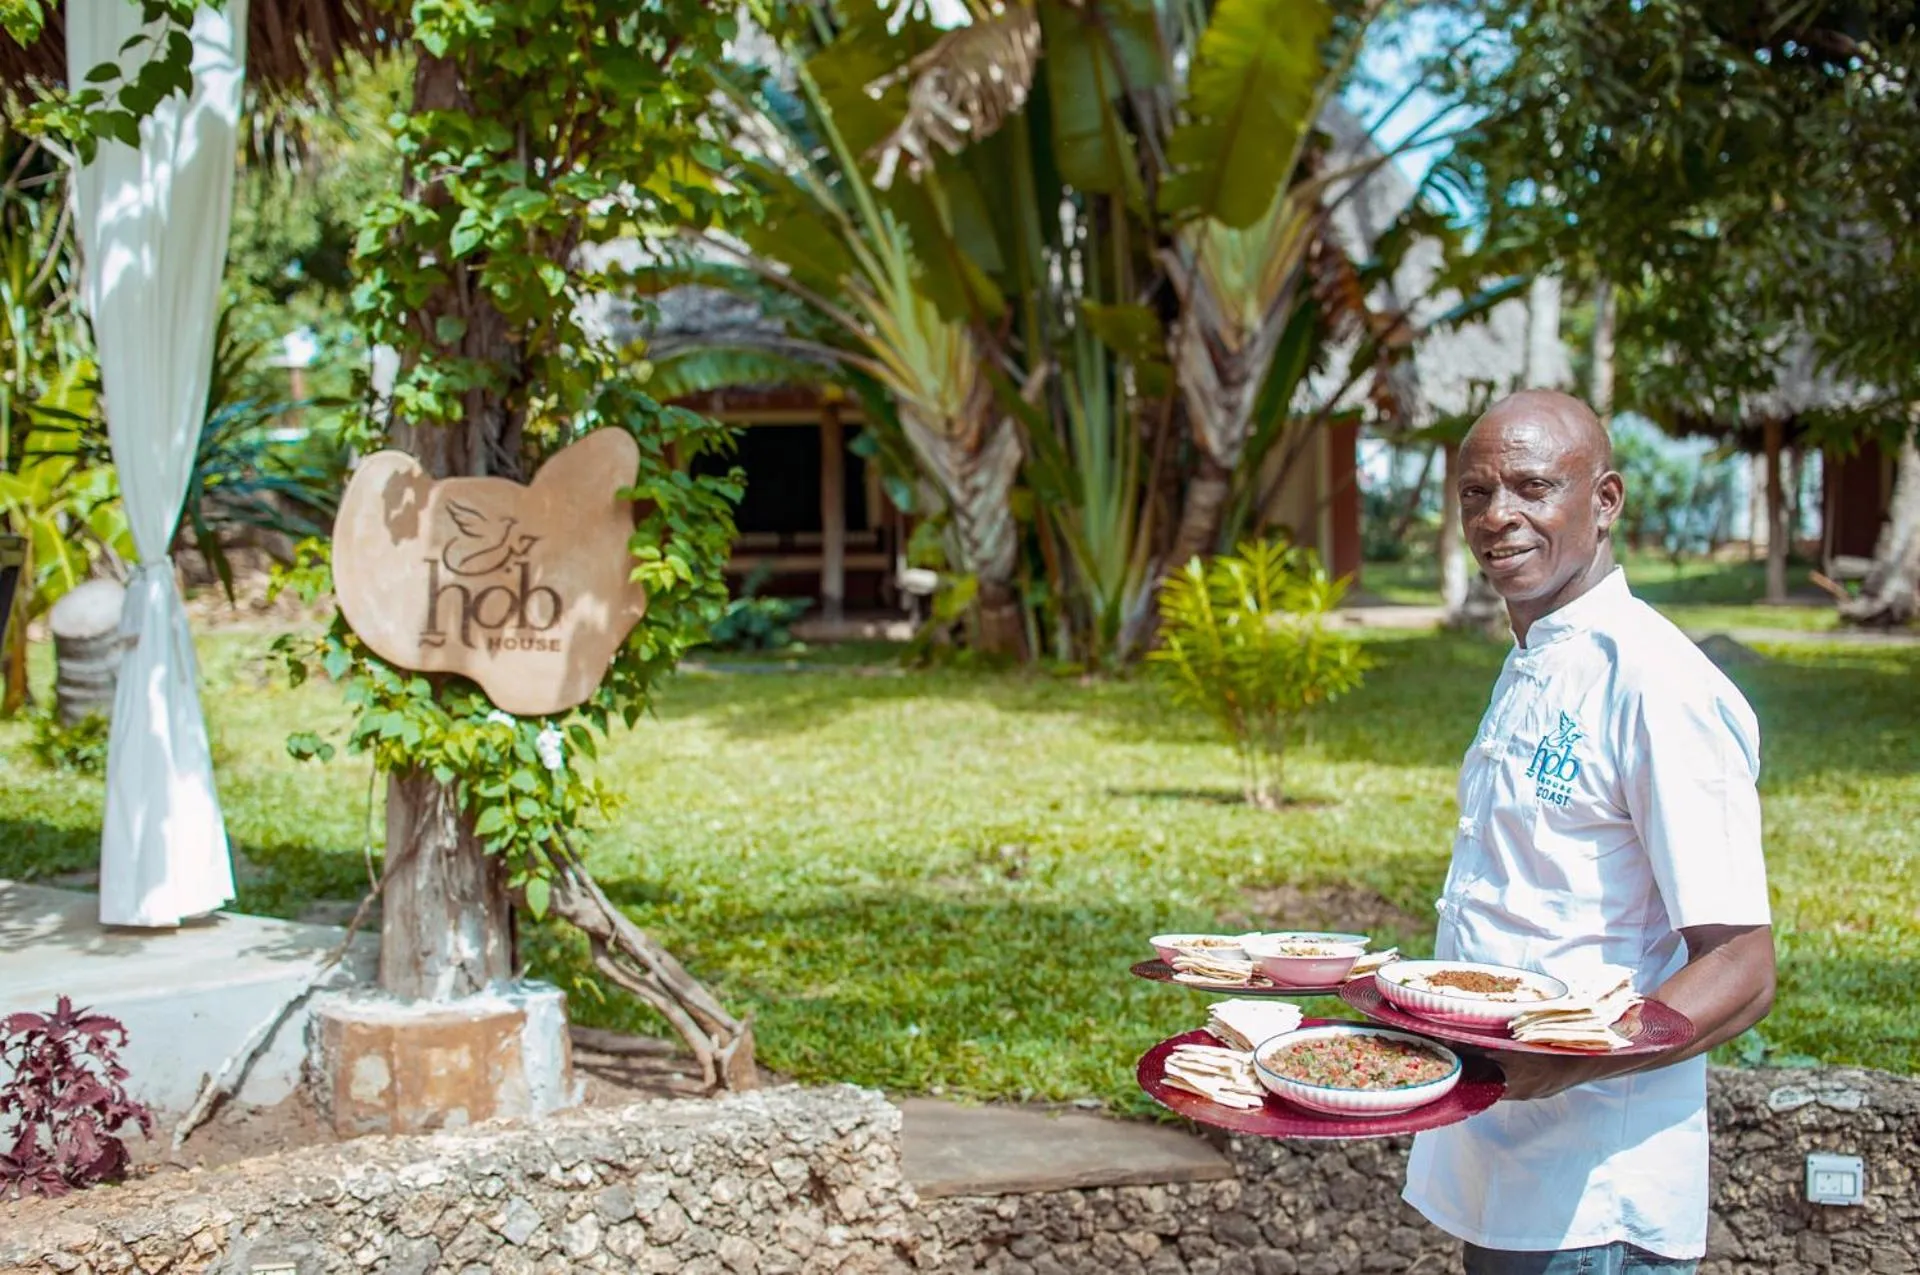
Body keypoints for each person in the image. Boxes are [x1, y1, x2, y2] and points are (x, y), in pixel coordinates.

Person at [1402, 390, 1777, 1275]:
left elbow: (1742, 967)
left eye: (1534, 487)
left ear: (1604, 501)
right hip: (1501, 1160)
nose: (1499, 516)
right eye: (1475, 492)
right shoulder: (1535, 656)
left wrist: (1562, 1065)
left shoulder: (1655, 683)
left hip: (1597, 1197)